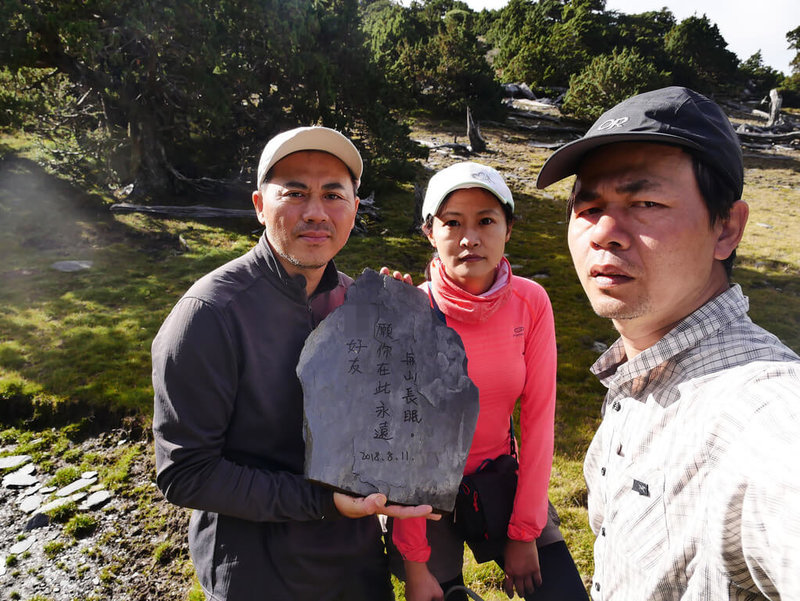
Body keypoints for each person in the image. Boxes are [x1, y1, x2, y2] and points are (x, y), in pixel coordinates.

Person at [151, 126, 438, 601]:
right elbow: (186, 473)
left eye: (333, 194)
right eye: (295, 192)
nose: (315, 213)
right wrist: (322, 502)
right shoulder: (209, 316)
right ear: (260, 205)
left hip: (358, 569)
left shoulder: (360, 304)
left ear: (355, 207)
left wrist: (411, 352)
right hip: (258, 578)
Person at [535, 86, 800, 600]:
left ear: (727, 228)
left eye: (646, 203)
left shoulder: (760, 412)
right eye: (588, 207)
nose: (604, 232)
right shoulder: (636, 375)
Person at [384, 162, 588, 601]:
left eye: (486, 221)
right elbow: (405, 453)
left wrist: (525, 530)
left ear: (508, 229)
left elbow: (538, 421)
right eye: (452, 222)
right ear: (429, 232)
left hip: (498, 478)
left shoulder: (530, 303)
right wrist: (415, 565)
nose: (469, 238)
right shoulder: (410, 313)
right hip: (424, 501)